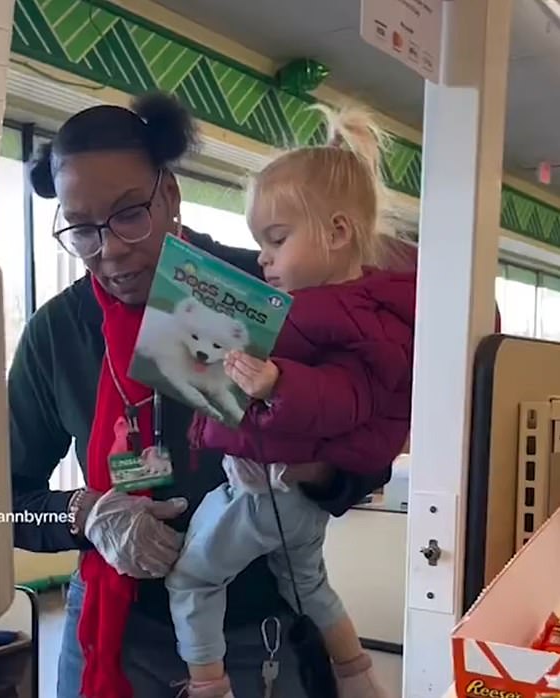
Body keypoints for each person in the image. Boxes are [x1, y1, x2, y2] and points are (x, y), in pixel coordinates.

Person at [12, 91, 404, 698]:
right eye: (82, 229)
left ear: (169, 193)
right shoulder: (58, 334)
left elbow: (373, 437)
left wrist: (308, 470)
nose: (109, 248)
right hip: (113, 632)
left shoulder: (268, 288)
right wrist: (84, 513)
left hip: (255, 631)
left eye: (128, 214)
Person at [166, 107, 415, 698]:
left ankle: (207, 686)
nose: (262, 258)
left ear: (335, 233)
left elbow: (349, 397)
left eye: (276, 241)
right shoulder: (357, 308)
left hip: (263, 490)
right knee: (307, 584)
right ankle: (357, 675)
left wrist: (279, 385)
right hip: (294, 500)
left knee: (193, 580)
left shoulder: (333, 313)